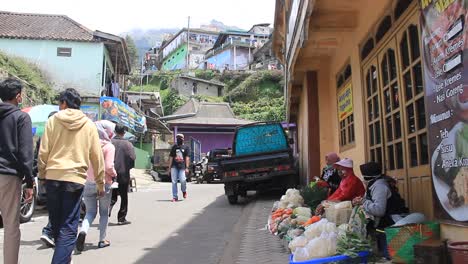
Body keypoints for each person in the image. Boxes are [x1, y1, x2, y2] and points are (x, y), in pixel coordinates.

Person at [38, 88, 105, 264]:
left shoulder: (53, 121)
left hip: (53, 178)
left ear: (64, 103)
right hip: (74, 180)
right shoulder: (89, 125)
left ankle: (64, 259)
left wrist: (42, 175)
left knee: (58, 223)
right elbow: (97, 157)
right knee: (68, 227)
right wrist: (100, 183)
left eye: (60, 103)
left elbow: (43, 152)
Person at [353, 161, 424, 260]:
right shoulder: (373, 184)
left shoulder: (380, 186)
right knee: (384, 254)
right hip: (382, 224)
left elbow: (379, 210)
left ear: (367, 177)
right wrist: (360, 201)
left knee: (391, 256)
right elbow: (368, 200)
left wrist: (363, 203)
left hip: (390, 223)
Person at [0, 78, 34, 264]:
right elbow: (25, 153)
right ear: (18, 96)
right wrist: (29, 182)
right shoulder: (21, 117)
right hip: (8, 176)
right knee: (11, 226)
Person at [76, 120, 117, 251]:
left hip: (88, 182)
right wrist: (114, 174)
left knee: (90, 212)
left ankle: (83, 231)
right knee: (104, 213)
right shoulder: (109, 147)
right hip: (104, 183)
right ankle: (102, 240)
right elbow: (109, 166)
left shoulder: (88, 145)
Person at [35, 111, 57, 248]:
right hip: (56, 175)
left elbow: (38, 157)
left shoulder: (45, 136)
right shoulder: (55, 136)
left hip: (49, 175)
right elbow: (41, 156)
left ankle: (51, 232)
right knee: (57, 207)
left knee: (54, 206)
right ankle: (49, 231)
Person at [110, 124, 135, 225]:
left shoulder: (109, 143)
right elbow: (132, 158)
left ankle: (108, 209)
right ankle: (121, 218)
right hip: (123, 174)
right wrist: (128, 167)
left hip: (110, 173)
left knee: (112, 195)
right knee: (124, 197)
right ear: (124, 133)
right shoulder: (128, 144)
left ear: (115, 131)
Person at [168, 133, 190, 202]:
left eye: (180, 138)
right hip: (174, 166)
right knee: (174, 181)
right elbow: (171, 158)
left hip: (182, 167)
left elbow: (187, 158)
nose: (178, 139)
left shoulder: (186, 147)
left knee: (182, 180)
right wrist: (169, 168)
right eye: (177, 138)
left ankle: (184, 191)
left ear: (183, 139)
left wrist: (187, 167)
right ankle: (175, 197)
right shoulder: (174, 147)